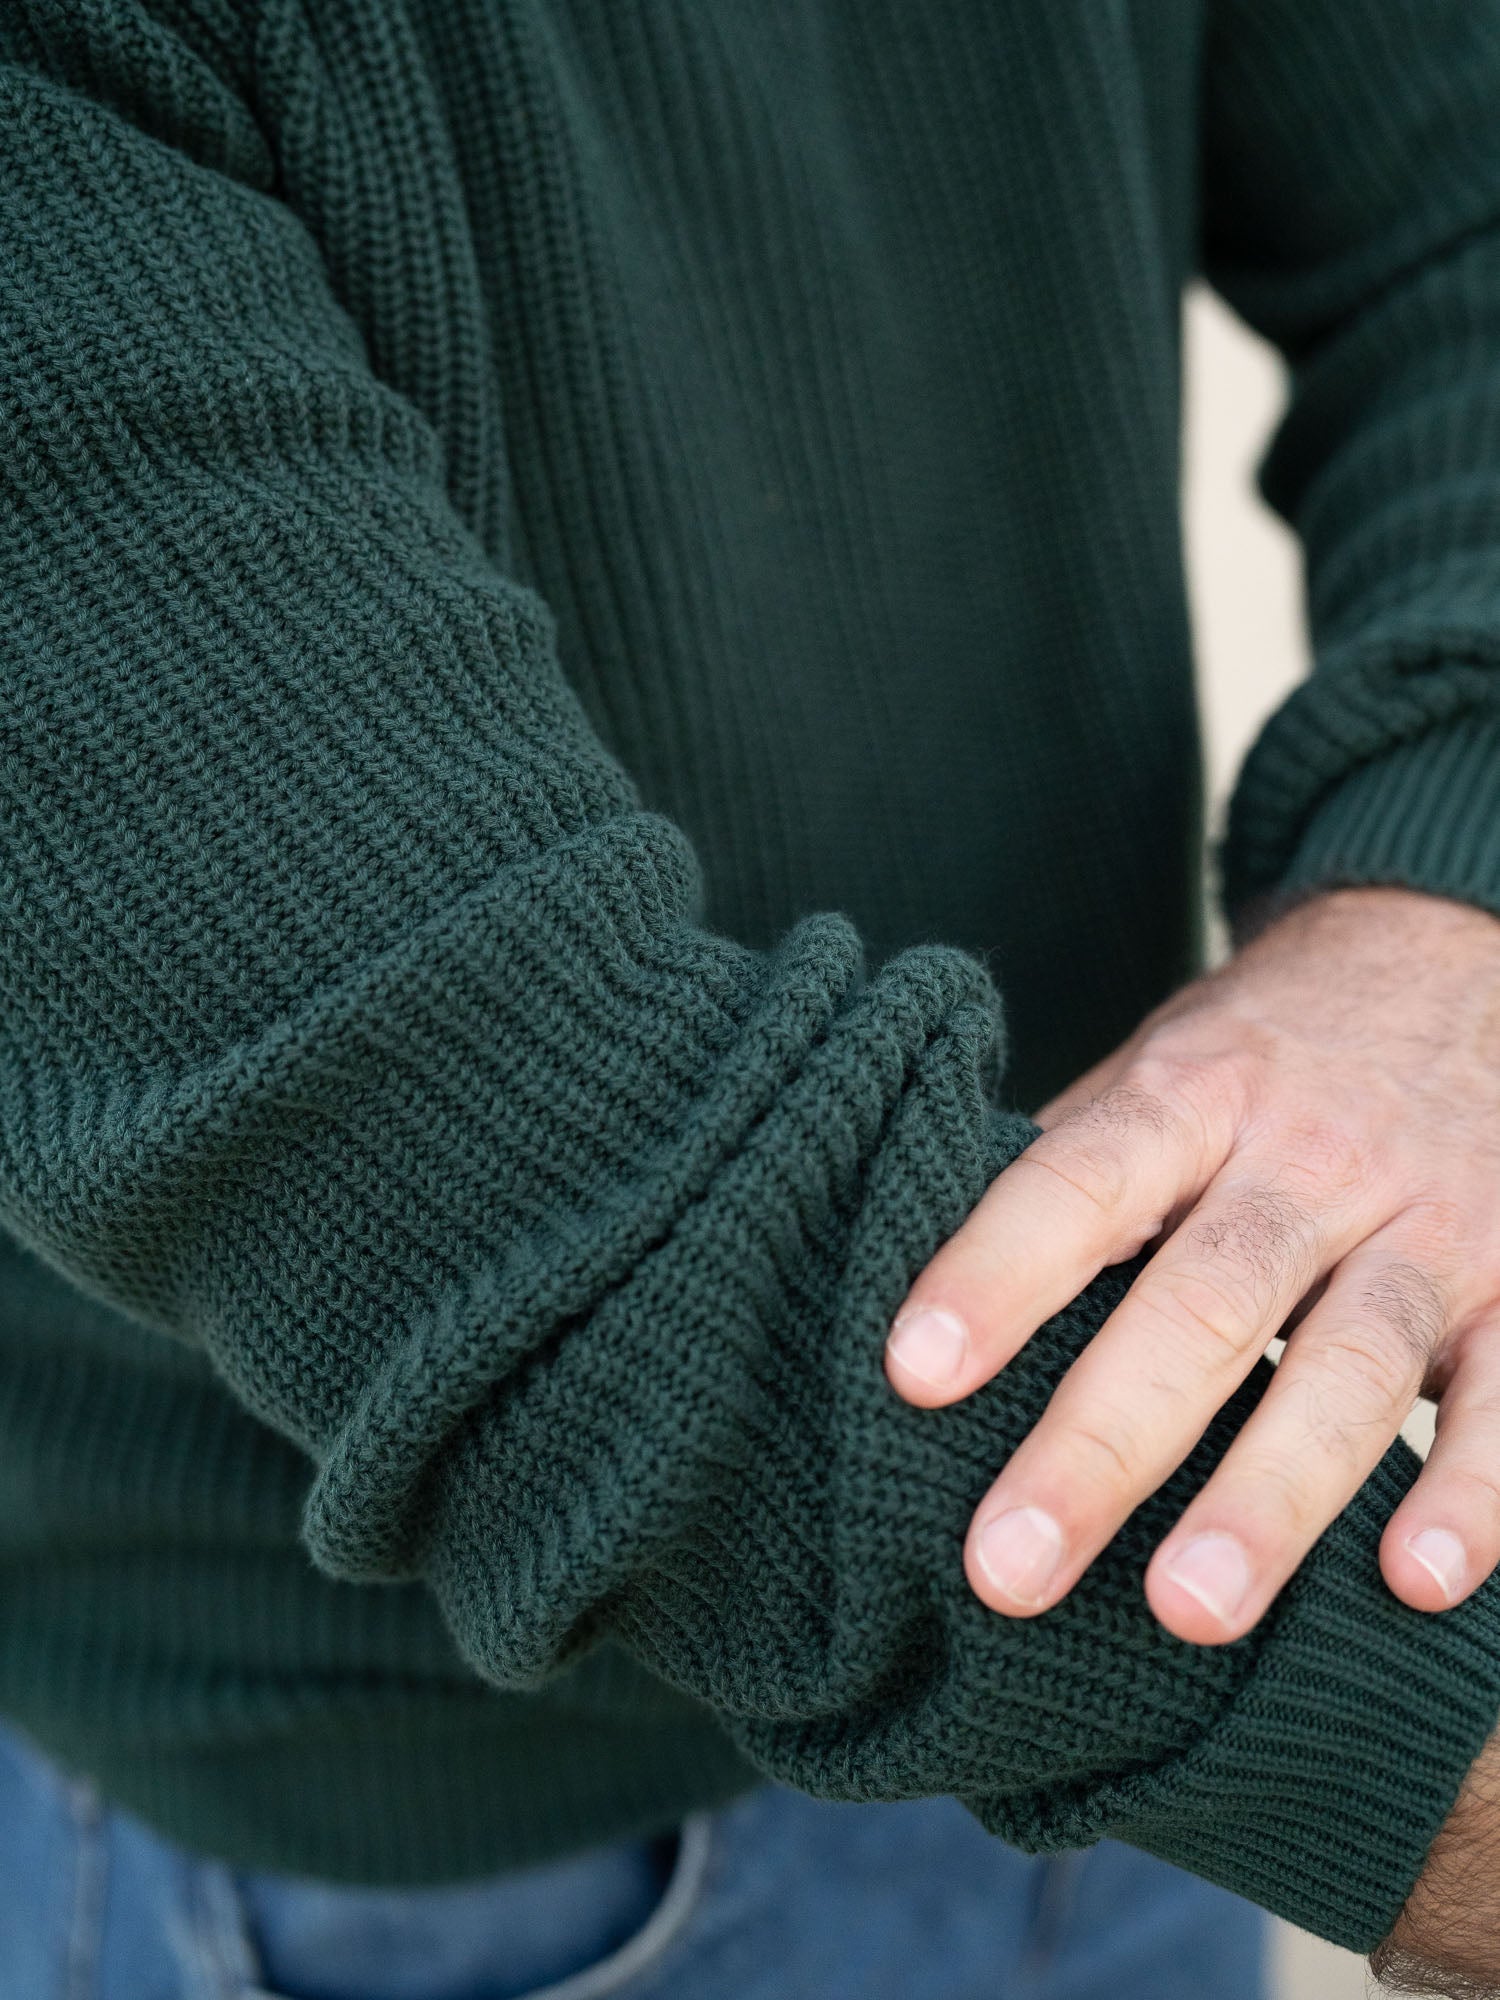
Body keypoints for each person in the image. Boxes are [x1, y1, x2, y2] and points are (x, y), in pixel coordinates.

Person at [2, 1, 1500, 1995]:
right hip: (437, 1857)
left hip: (1157, 1603)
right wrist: (1421, 1756)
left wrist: (1440, 878)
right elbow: (499, 1184)